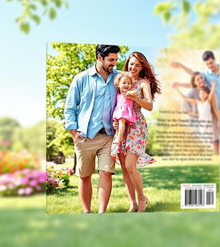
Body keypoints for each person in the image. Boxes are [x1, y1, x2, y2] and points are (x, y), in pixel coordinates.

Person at [64, 44, 120, 213]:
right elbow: (70, 108)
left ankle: (102, 213)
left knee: (106, 173)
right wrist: (74, 132)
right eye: (111, 60)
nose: (114, 63)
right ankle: (87, 212)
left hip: (108, 136)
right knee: (85, 176)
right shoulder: (81, 78)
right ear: (99, 57)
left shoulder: (118, 78)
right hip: (85, 136)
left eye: (116, 60)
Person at [111, 51, 161, 212]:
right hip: (122, 125)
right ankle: (132, 203)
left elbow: (149, 106)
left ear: (142, 67)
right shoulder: (121, 80)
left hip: (137, 125)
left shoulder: (143, 83)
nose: (133, 67)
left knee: (130, 165)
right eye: (131, 63)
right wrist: (115, 122)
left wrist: (135, 98)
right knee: (125, 168)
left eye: (137, 65)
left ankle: (142, 198)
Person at [172, 72, 220, 154]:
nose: (201, 80)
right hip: (201, 122)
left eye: (201, 78)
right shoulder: (195, 96)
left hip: (212, 120)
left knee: (215, 140)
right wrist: (177, 88)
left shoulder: (209, 94)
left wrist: (219, 120)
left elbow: (215, 107)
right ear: (194, 82)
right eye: (198, 79)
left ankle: (218, 156)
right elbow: (184, 99)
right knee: (207, 141)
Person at [112, 72, 136, 144]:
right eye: (124, 83)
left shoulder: (129, 93)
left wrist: (131, 93)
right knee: (118, 125)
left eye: (129, 83)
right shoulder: (118, 93)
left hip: (125, 111)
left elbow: (135, 93)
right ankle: (119, 137)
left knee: (122, 121)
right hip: (119, 111)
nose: (126, 84)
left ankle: (119, 138)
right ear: (118, 84)